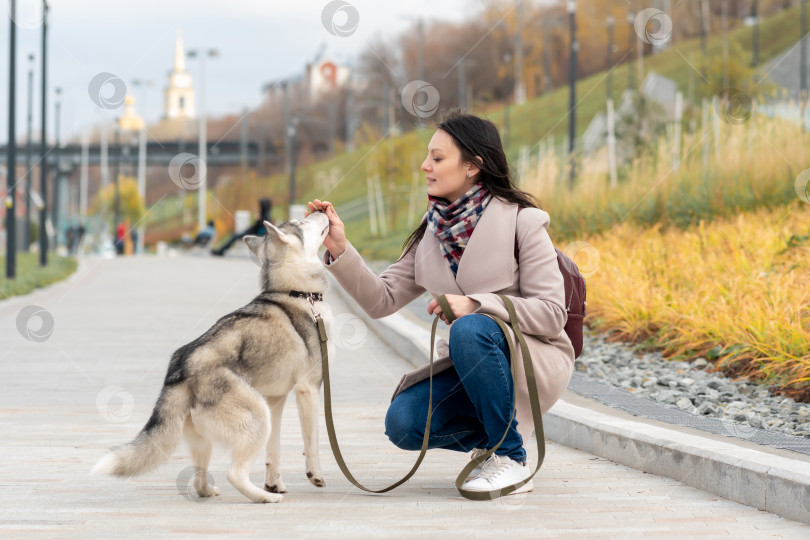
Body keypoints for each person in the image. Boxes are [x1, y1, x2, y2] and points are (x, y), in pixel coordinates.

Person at [306, 110, 575, 495]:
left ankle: (511, 458)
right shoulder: (432, 232)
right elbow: (383, 300)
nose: (424, 165)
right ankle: (492, 440)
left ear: (472, 167)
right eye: (427, 157)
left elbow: (552, 315)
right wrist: (339, 248)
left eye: (437, 157)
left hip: (529, 357)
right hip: (470, 364)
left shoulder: (524, 222)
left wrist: (476, 304)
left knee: (470, 327)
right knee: (403, 423)